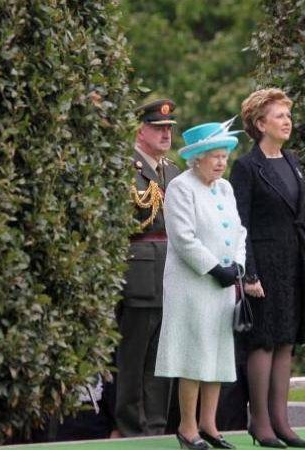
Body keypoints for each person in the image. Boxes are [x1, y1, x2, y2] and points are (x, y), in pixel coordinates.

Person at [230, 88, 305, 448]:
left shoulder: (293, 162)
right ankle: (261, 423)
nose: (287, 121)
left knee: (286, 341)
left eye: (288, 115)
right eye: (279, 115)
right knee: (263, 342)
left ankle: (282, 422)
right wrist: (249, 274)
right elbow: (241, 225)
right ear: (259, 123)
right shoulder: (246, 167)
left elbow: (301, 220)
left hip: (293, 264)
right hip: (263, 267)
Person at [155, 118, 247, 450]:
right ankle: (187, 428)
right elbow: (182, 238)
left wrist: (237, 264)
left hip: (221, 288)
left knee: (218, 358)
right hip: (192, 288)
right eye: (216, 156)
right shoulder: (181, 187)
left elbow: (239, 231)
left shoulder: (225, 188)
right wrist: (213, 268)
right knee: (193, 358)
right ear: (198, 158)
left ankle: (210, 426)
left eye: (225, 156)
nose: (222, 162)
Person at [115, 98, 181, 437]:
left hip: (169, 275)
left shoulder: (172, 171)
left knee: (161, 360)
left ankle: (156, 428)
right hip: (138, 275)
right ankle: (129, 429)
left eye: (168, 128)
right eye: (158, 128)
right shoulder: (125, 169)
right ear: (141, 130)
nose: (165, 134)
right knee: (133, 359)